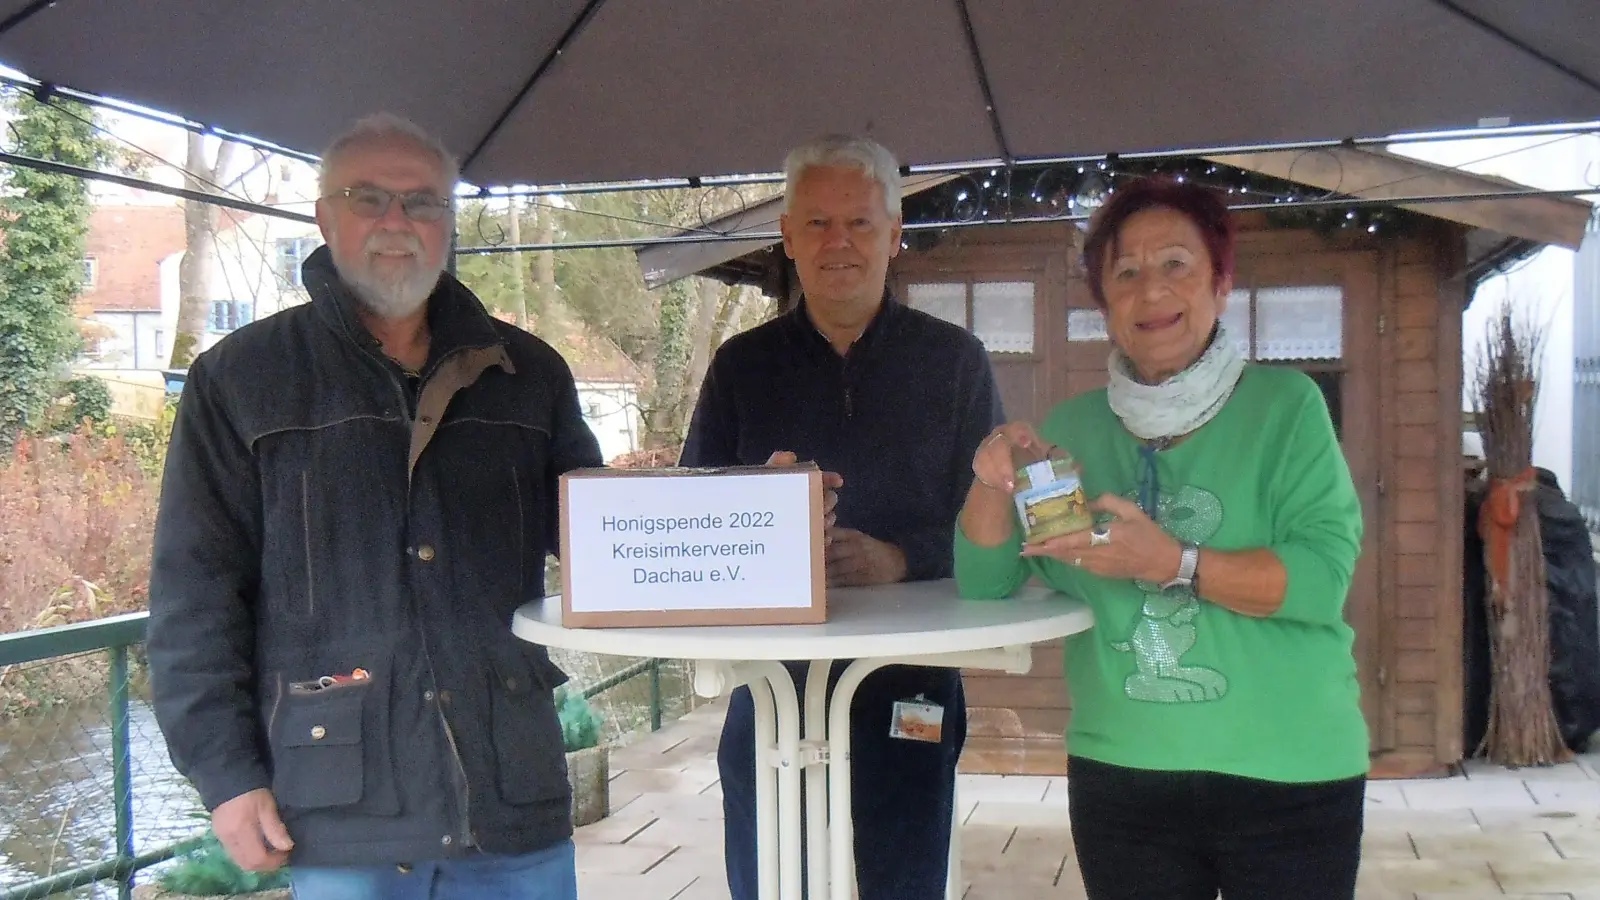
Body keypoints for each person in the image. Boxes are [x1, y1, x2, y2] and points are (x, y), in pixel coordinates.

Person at [145, 113, 604, 900]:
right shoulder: (241, 379)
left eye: (423, 202)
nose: (398, 223)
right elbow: (195, 597)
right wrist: (225, 775)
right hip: (341, 812)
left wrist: (748, 514)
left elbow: (607, 545)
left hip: (510, 799)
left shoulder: (528, 372)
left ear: (449, 225)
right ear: (323, 217)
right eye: (370, 199)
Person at [954, 177, 1368, 900]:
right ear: (1105, 303)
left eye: (1176, 264)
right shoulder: (1076, 429)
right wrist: (992, 477)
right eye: (1127, 272)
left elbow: (1320, 579)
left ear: (1221, 284)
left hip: (1290, 772)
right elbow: (985, 582)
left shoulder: (1286, 408)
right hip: (1125, 778)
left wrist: (1176, 562)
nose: (1152, 291)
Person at [680, 134, 1005, 899]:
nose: (839, 243)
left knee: (905, 881)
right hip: (772, 686)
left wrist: (900, 557)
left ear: (894, 234)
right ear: (788, 237)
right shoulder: (741, 367)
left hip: (912, 684)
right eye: (818, 223)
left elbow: (994, 520)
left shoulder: (955, 362)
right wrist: (759, 515)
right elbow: (690, 518)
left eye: (859, 223)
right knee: (771, 880)